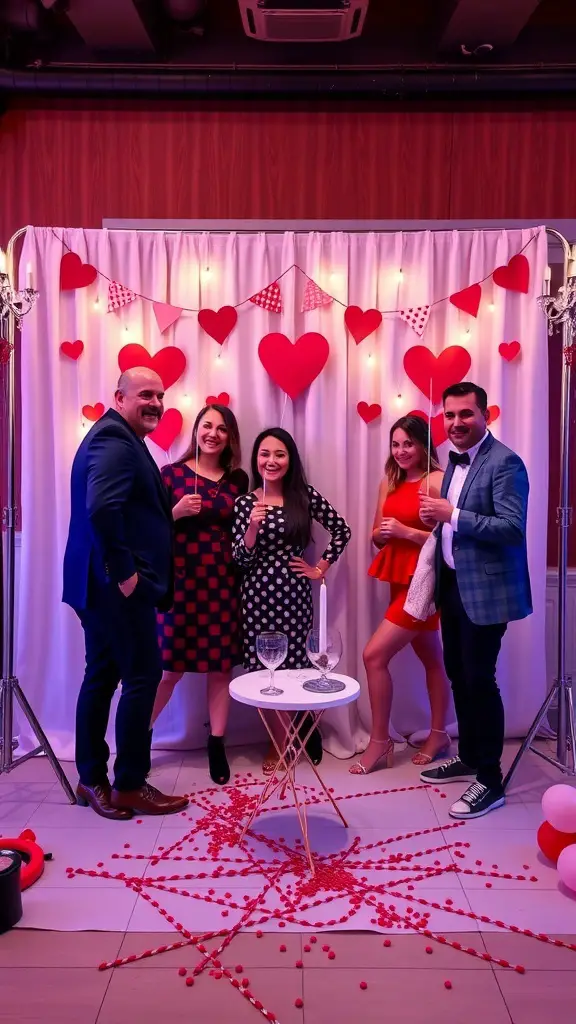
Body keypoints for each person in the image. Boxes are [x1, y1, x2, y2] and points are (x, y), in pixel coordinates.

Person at [63, 367, 189, 819]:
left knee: (100, 677)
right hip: (112, 587)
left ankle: (91, 779)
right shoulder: (115, 441)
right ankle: (129, 785)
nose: (155, 403)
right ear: (119, 397)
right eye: (145, 395)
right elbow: (102, 509)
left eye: (160, 395)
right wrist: (126, 574)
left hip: (96, 585)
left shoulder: (118, 436)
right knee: (142, 677)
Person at [418, 381, 532, 820]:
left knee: (480, 679)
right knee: (458, 674)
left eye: (465, 414)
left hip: (485, 592)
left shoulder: (506, 462)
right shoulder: (455, 462)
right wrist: (439, 522)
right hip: (453, 583)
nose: (456, 423)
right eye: (449, 415)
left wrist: (454, 515)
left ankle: (490, 779)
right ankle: (468, 755)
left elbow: (511, 527)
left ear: (485, 415)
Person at [232, 428, 351, 774]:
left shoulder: (304, 497)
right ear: (256, 459)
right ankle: (278, 739)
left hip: (295, 596)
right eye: (265, 453)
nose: (272, 460)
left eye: (279, 454)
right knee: (266, 670)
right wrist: (252, 528)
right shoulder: (245, 503)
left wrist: (320, 568)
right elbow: (239, 559)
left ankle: (301, 730)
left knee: (296, 667)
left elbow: (341, 530)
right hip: (256, 597)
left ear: (290, 460)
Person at [349, 415, 451, 775]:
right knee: (432, 658)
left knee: (373, 655)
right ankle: (439, 734)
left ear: (424, 445)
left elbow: (449, 541)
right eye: (395, 444)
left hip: (422, 584)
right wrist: (380, 535)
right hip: (398, 578)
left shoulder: (437, 481)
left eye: (408, 443)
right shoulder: (388, 482)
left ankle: (380, 740)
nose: (401, 451)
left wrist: (408, 533)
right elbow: (377, 533)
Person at [153, 403, 249, 785]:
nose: (213, 433)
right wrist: (174, 513)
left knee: (220, 669)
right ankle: (138, 738)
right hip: (180, 584)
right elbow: (146, 528)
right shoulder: (170, 475)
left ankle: (216, 745)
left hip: (222, 585)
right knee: (169, 669)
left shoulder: (238, 480)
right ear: (195, 431)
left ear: (230, 437)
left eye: (222, 428)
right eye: (207, 426)